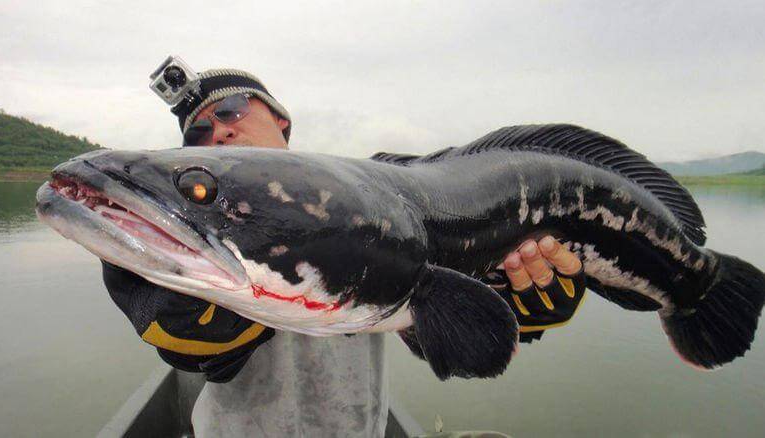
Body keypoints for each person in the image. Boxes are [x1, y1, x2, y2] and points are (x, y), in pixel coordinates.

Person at [104, 68, 587, 437]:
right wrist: (170, 297)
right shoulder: (208, 236)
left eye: (230, 109)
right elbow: (206, 353)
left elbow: (431, 333)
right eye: (197, 136)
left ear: (280, 118)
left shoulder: (369, 203)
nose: (218, 132)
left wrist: (505, 299)